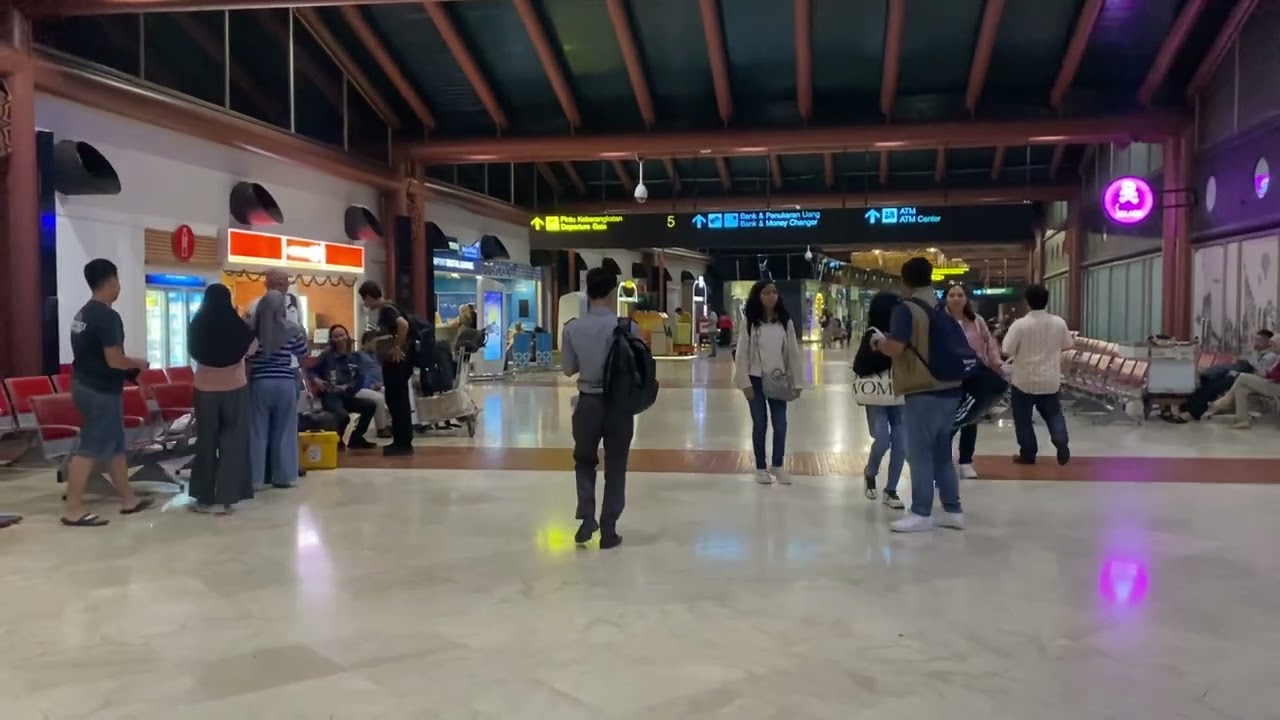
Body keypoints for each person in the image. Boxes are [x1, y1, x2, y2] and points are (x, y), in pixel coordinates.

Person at [872, 257, 964, 533]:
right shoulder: (941, 308)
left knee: (920, 453)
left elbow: (897, 347)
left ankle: (921, 512)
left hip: (923, 389)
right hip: (951, 389)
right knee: (942, 453)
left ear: (904, 280)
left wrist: (880, 343)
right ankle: (952, 509)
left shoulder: (907, 309)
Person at [61, 259, 155, 527]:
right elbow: (114, 359)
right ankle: (74, 509)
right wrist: (140, 364)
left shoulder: (83, 314)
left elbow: (95, 358)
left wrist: (133, 378)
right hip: (98, 391)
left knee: (114, 446)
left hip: (86, 384)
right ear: (111, 281)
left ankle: (129, 499)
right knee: (89, 448)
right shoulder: (106, 315)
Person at [562, 267, 636, 549]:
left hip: (587, 403)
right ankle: (609, 529)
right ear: (613, 291)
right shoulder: (627, 327)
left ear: (588, 292)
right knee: (616, 466)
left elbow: (569, 368)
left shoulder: (572, 328)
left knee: (584, 461)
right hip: (619, 406)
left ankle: (587, 517)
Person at [188, 283, 256, 513]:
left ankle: (204, 499)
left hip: (204, 390)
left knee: (206, 442)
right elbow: (253, 349)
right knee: (233, 443)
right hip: (235, 389)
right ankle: (229, 498)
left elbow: (193, 351)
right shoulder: (239, 326)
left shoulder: (197, 325)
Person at [734, 279, 804, 485]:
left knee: (780, 423)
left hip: (778, 378)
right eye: (766, 293)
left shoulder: (785, 321)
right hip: (755, 379)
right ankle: (761, 468)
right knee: (760, 422)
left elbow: (792, 353)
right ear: (758, 296)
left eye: (773, 292)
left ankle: (778, 465)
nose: (771, 296)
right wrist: (744, 382)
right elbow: (742, 354)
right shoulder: (749, 323)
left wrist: (797, 381)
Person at [1002, 284, 1074, 466]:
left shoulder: (1019, 325)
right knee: (1054, 414)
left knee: (1023, 419)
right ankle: (1061, 441)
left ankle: (1028, 454)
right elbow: (1068, 344)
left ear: (1027, 302)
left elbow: (1006, 350)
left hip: (1024, 379)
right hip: (1050, 378)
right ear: (1047, 301)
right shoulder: (1059, 323)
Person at [247, 290, 310, 489]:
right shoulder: (293, 329)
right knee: (285, 431)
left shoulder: (252, 331)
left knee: (257, 432)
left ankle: (255, 479)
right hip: (285, 382)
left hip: (260, 383)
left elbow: (247, 358)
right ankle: (284, 476)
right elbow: (302, 353)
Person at [943, 285, 1002, 479]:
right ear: (945, 298)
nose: (956, 298)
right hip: (948, 378)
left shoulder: (977, 321)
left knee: (971, 420)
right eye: (952, 295)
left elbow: (990, 344)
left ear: (966, 298)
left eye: (960, 294)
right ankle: (942, 459)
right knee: (949, 419)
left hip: (974, 376)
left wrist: (996, 364)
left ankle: (966, 461)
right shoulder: (938, 321)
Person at [853, 291, 905, 509]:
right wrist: (886, 354)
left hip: (900, 394)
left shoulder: (904, 335)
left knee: (901, 443)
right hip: (877, 396)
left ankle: (891, 490)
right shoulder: (872, 335)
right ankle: (871, 472)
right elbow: (860, 367)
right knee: (882, 439)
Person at [1167, 329, 1277, 422]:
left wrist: (1239, 370)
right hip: (1239, 373)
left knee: (1212, 386)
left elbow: (1259, 372)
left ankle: (1191, 412)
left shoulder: (1270, 356)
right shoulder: (1256, 353)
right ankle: (1185, 408)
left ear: (1267, 341)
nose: (1256, 342)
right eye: (1256, 339)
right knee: (1208, 384)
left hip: (1246, 377)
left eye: (1259, 340)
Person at [358, 281, 415, 456]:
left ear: (369, 296)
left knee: (397, 402)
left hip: (395, 363)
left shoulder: (388, 310)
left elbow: (403, 325)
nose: (365, 304)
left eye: (364, 300)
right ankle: (401, 440)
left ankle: (402, 442)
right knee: (397, 401)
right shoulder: (390, 307)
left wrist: (397, 347)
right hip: (394, 363)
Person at [308, 324, 378, 450]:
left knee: (370, 405)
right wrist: (316, 380)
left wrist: (348, 386)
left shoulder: (355, 357)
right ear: (331, 340)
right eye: (336, 336)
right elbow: (311, 371)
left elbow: (359, 378)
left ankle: (356, 438)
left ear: (347, 336)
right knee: (342, 415)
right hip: (330, 396)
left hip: (347, 395)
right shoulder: (326, 356)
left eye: (342, 335)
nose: (340, 339)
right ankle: (336, 440)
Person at [1205, 358, 1280, 428]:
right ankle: (1242, 420)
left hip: (1276, 385)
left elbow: (1276, 375)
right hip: (1273, 383)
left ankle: (1226, 400)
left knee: (1242, 377)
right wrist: (1267, 373)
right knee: (1242, 389)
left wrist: (1268, 374)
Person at [354, 330, 390, 438]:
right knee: (379, 398)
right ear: (368, 342)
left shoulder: (375, 356)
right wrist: (370, 385)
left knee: (391, 393)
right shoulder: (358, 356)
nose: (376, 346)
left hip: (379, 385)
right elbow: (359, 375)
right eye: (375, 343)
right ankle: (381, 429)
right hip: (365, 387)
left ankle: (389, 424)